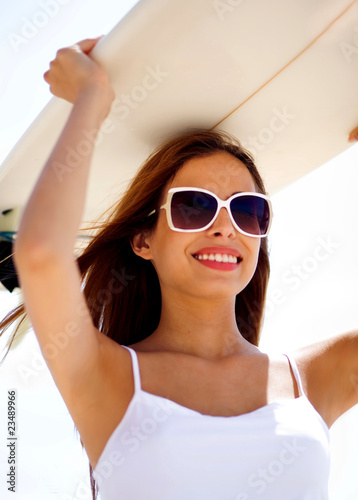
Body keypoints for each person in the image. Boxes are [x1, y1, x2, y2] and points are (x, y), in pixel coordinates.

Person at [2, 37, 358, 500]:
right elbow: (41, 253)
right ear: (144, 239)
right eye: (195, 206)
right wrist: (91, 98)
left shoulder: (316, 376)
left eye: (247, 210)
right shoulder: (107, 377)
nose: (225, 227)